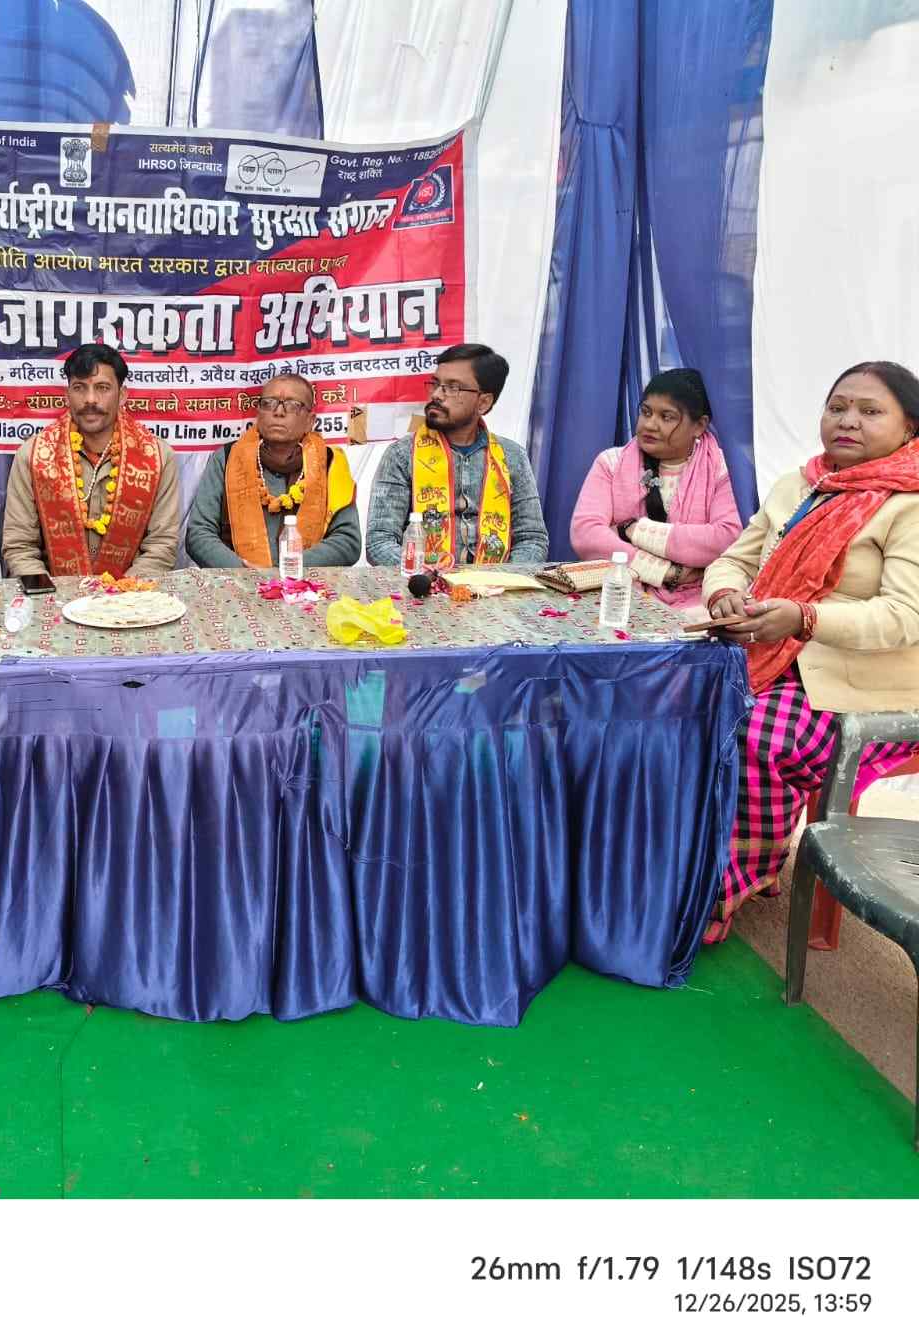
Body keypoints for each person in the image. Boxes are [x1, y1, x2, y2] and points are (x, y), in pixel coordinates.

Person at [701, 360, 919, 944]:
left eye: (870, 411)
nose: (847, 421)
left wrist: (805, 618)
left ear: (909, 427)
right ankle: (685, 858)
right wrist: (725, 594)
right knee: (671, 709)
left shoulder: (910, 503)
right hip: (766, 653)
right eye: (837, 407)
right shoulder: (801, 484)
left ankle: (725, 882)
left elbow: (905, 617)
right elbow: (735, 559)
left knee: (752, 736)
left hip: (860, 686)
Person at [0, 343, 180, 579]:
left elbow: (161, 546)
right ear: (67, 394)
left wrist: (122, 594)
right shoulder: (34, 455)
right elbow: (19, 546)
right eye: (79, 388)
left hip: (130, 595)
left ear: (122, 395)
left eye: (102, 388)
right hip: (52, 593)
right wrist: (47, 593)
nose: (90, 399)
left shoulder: (157, 457)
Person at [569, 368, 742, 611]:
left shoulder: (723, 468)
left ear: (700, 425)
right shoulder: (611, 463)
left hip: (700, 599)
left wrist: (632, 529)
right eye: (646, 412)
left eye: (666, 417)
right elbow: (586, 533)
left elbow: (726, 538)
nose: (650, 425)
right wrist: (663, 571)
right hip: (621, 592)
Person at [365, 343, 548, 568]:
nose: (436, 395)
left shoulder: (512, 456)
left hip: (496, 585)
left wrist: (501, 578)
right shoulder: (402, 454)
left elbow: (532, 540)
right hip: (423, 582)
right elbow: (379, 542)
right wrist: (431, 574)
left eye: (453, 388)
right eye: (436, 384)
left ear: (483, 402)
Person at [185, 371, 359, 569]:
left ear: (310, 421)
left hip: (308, 582)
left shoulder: (330, 462)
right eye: (269, 403)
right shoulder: (226, 458)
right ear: (259, 413)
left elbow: (348, 541)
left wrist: (289, 567)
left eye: (292, 405)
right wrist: (243, 571)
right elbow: (199, 534)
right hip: (235, 581)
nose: (279, 412)